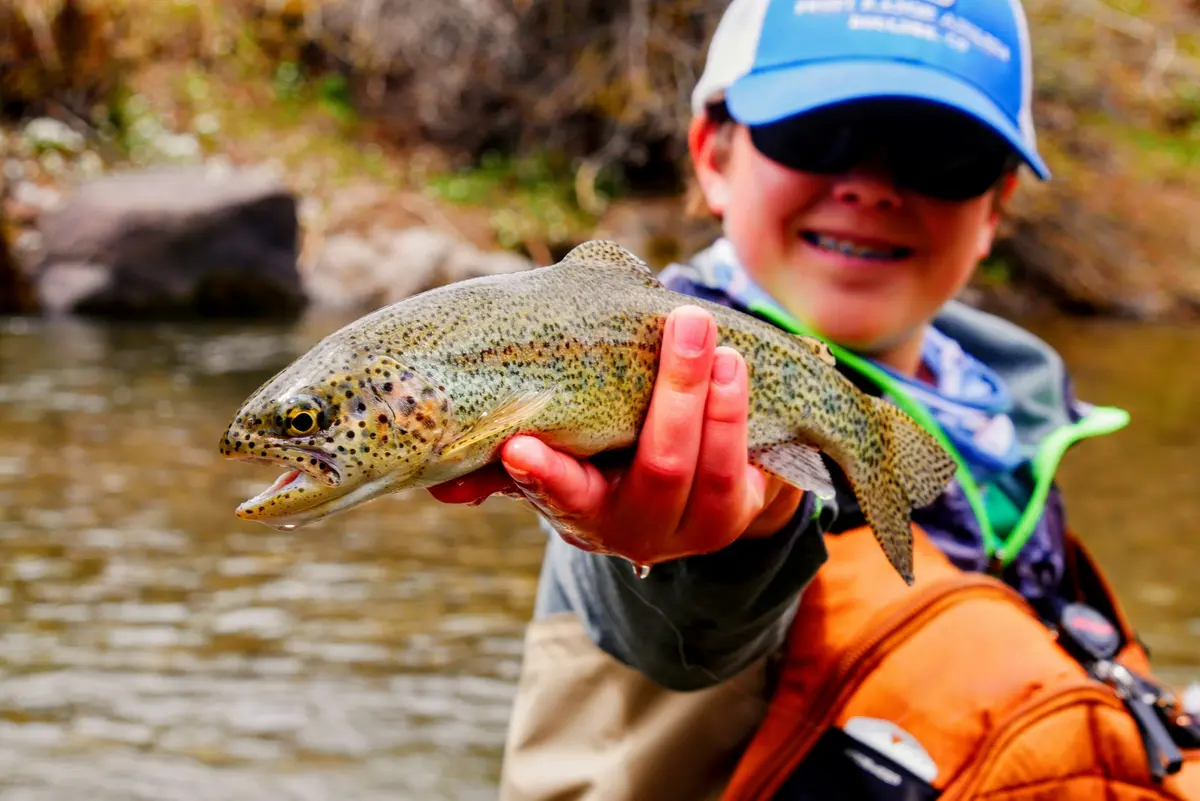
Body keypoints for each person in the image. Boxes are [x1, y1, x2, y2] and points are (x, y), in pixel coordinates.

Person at [429, 0, 1200, 797]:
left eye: (939, 153)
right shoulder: (627, 358)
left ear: (995, 207)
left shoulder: (1018, 423)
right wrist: (720, 543)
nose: (868, 186)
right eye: (816, 134)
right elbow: (671, 632)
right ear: (712, 156)